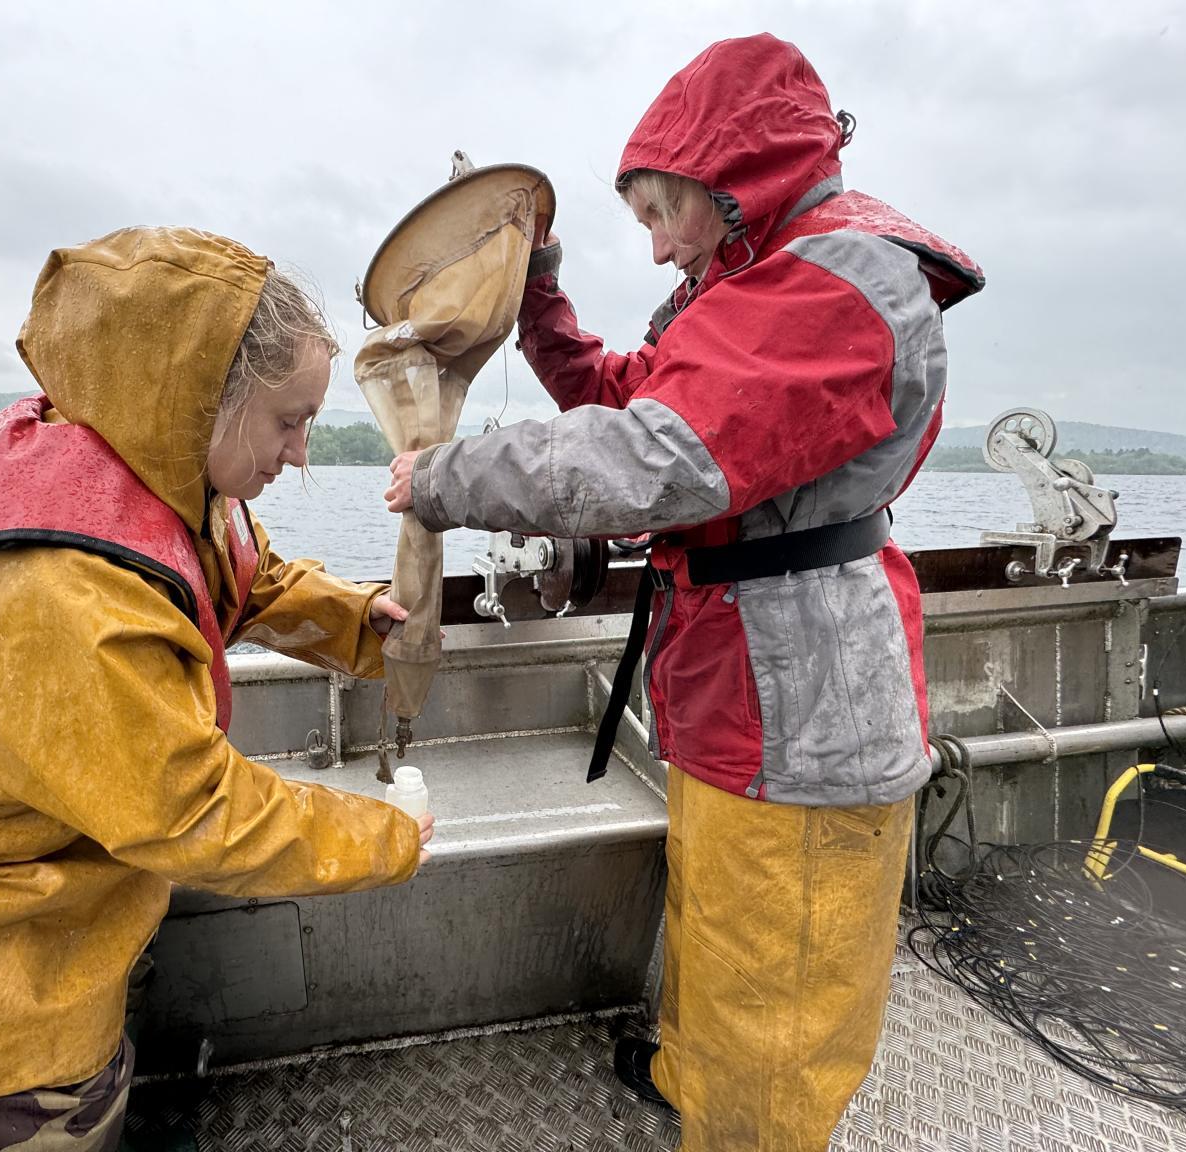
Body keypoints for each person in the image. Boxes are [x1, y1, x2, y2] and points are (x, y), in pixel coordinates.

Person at [384, 33, 982, 1152]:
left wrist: (447, 476)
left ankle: (738, 1123)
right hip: (739, 686)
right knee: (718, 923)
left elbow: (647, 460)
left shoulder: (835, 281)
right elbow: (622, 390)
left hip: (803, 717)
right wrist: (540, 297)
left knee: (778, 992)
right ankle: (690, 1076)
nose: (657, 248)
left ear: (730, 185)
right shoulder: (748, 282)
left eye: (663, 214)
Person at [0, 226, 433, 1152]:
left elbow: (242, 578)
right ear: (198, 397)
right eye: (287, 421)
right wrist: (389, 837)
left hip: (13, 858)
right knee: (45, 1097)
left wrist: (354, 618)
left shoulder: (162, 473)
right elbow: (194, 811)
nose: (299, 455)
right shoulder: (58, 589)